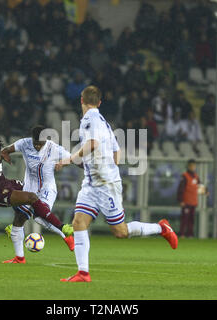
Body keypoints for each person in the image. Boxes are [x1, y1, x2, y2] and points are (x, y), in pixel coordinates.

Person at [56, 85, 178, 282]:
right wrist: (107, 165)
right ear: (100, 102)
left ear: (81, 100)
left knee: (120, 232)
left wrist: (71, 159)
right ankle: (83, 273)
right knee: (78, 223)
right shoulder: (103, 121)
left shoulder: (91, 119)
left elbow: (93, 144)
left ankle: (161, 228)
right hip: (92, 183)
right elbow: (116, 149)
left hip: (105, 185)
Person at [0, 138, 74, 264]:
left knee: (23, 214)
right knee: (32, 199)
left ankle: (19, 258)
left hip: (7, 183)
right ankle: (63, 228)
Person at [0, 125, 77, 262]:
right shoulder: (24, 143)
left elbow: (71, 157)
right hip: (29, 189)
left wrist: (62, 163)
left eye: (40, 144)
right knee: (18, 219)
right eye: (35, 143)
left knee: (39, 217)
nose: (37, 146)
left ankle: (66, 236)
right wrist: (5, 156)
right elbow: (5, 150)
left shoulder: (54, 148)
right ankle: (19, 257)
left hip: (47, 188)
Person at [177, 159, 207, 238]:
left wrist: (206, 191)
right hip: (186, 201)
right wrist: (181, 200)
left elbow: (200, 186)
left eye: (194, 166)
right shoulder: (184, 176)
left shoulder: (196, 176)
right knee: (184, 219)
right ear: (188, 166)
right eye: (191, 166)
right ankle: (182, 234)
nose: (193, 167)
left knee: (191, 219)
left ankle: (190, 234)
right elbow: (181, 189)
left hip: (193, 201)